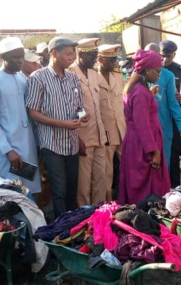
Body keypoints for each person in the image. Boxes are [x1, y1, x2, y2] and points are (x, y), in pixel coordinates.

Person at [26, 36, 89, 218]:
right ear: (54, 53)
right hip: (52, 144)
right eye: (68, 54)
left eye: (73, 54)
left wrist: (82, 116)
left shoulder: (72, 78)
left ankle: (72, 227)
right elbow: (33, 112)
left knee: (71, 189)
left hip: (71, 144)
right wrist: (63, 124)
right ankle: (59, 229)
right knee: (59, 191)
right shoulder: (38, 78)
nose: (72, 58)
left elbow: (78, 108)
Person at [0, 37, 41, 194]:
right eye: (16, 57)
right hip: (8, 149)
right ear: (3, 57)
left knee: (27, 190)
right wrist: (8, 150)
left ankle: (29, 218)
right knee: (9, 191)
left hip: (27, 146)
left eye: (22, 56)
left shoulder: (22, 78)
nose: (20, 61)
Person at [118, 49, 169, 205]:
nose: (159, 75)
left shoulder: (139, 88)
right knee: (144, 185)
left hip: (139, 141)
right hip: (143, 145)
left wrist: (149, 95)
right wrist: (154, 151)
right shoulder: (140, 92)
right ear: (147, 70)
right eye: (157, 71)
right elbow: (142, 125)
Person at [68, 38, 107, 206]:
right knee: (83, 185)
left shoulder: (94, 73)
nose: (94, 59)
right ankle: (84, 217)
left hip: (99, 135)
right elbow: (69, 107)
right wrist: (76, 137)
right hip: (83, 136)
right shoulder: (70, 74)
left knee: (100, 180)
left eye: (96, 55)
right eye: (91, 55)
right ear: (80, 54)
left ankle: (100, 215)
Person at [143, 43, 181, 186]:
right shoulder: (136, 75)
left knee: (165, 163)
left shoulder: (167, 75)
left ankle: (164, 194)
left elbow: (173, 104)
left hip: (163, 127)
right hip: (143, 128)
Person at [97, 44, 126, 199]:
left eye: (115, 59)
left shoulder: (118, 75)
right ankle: (108, 202)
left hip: (122, 129)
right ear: (100, 59)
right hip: (106, 132)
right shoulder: (94, 77)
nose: (115, 63)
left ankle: (126, 196)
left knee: (127, 167)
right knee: (107, 171)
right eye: (111, 60)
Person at [160, 40, 181, 187]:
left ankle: (175, 186)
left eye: (168, 56)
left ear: (174, 55)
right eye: (161, 56)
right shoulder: (152, 70)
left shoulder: (180, 71)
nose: (164, 60)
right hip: (159, 117)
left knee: (175, 152)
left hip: (175, 117)